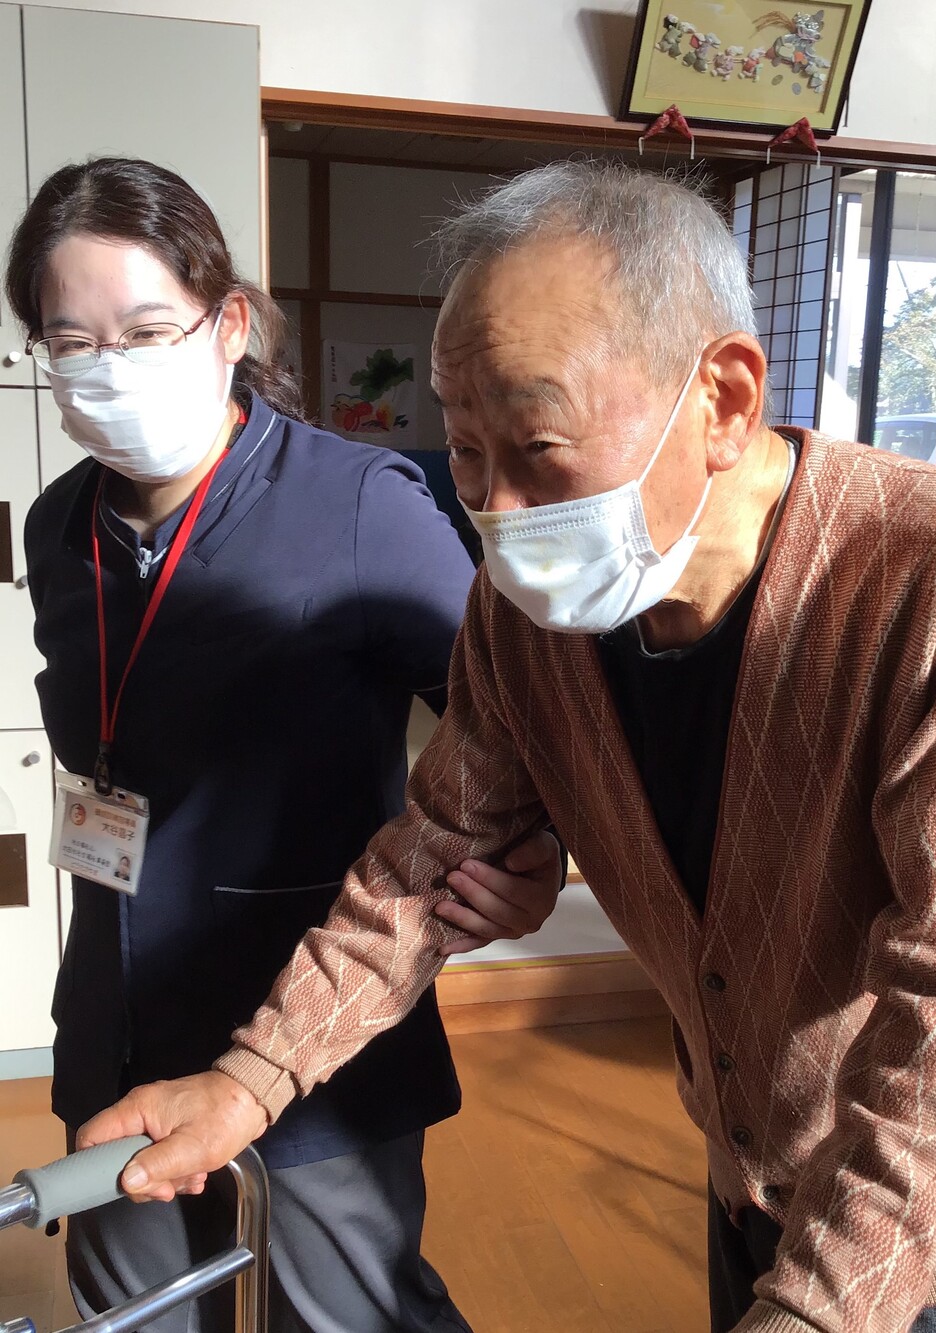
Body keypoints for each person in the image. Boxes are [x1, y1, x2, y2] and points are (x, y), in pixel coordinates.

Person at [78, 160, 936, 1333]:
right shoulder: (528, 618)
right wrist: (245, 1083)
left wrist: (819, 1313)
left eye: (539, 442)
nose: (498, 512)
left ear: (720, 399)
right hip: (749, 1179)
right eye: (466, 450)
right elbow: (426, 865)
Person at [5, 156, 565, 1333]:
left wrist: (531, 853)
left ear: (228, 325)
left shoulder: (356, 501)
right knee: (131, 1309)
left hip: (313, 1006)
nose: (108, 369)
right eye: (72, 342)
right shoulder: (60, 525)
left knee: (342, 1309)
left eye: (146, 328)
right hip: (118, 1001)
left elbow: (522, 713)